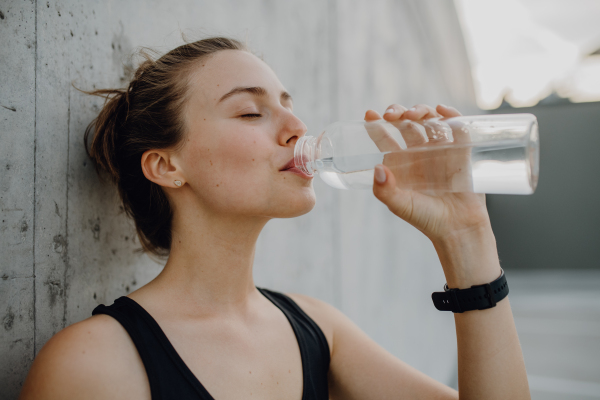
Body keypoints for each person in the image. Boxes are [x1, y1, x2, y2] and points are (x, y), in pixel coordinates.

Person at [19, 37, 530, 400]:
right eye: (249, 112)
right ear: (167, 165)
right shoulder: (93, 364)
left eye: (289, 105)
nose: (296, 127)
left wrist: (467, 237)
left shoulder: (317, 331)